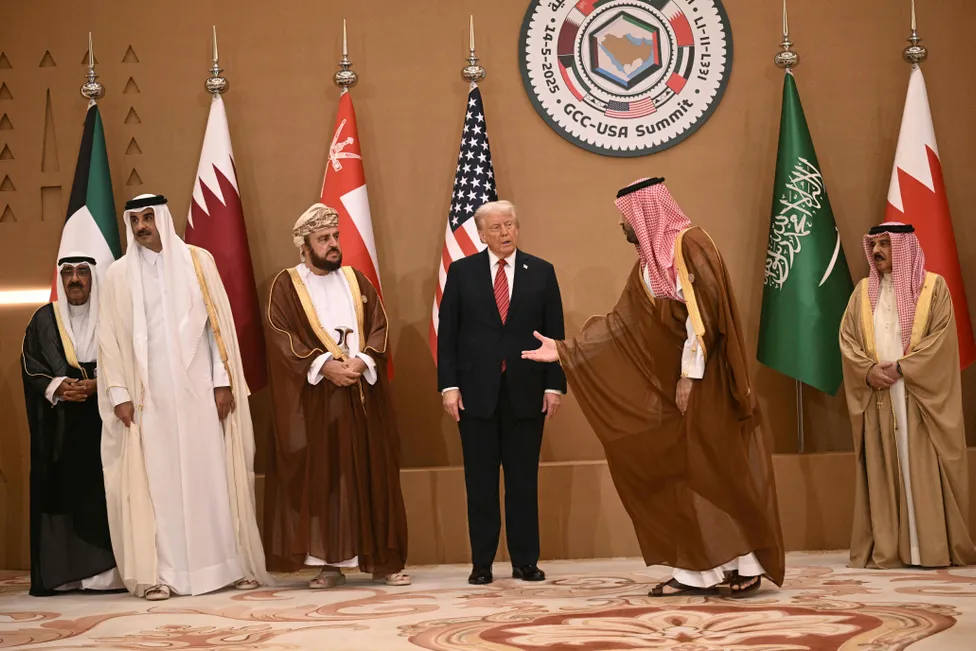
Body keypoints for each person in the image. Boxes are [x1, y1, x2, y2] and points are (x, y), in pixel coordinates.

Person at [523, 178, 784, 597]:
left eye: (626, 217)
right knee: (681, 474)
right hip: (670, 388)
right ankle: (697, 571)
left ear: (646, 211)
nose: (623, 225)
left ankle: (748, 564)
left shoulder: (690, 245)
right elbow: (621, 324)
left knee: (720, 470)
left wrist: (690, 375)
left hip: (707, 382)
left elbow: (706, 315)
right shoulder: (647, 264)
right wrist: (566, 350)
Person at [97, 194, 269, 600]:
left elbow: (217, 327)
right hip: (147, 397)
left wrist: (222, 381)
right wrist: (119, 393)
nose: (142, 226)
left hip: (199, 392)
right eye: (135, 220)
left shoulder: (197, 261)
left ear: (162, 218)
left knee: (210, 477)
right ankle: (163, 573)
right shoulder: (118, 275)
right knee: (157, 486)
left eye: (148, 218)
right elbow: (108, 340)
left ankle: (225, 566)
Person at [263, 203, 409, 588]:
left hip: (363, 396)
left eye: (335, 237)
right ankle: (330, 564)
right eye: (323, 239)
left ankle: (384, 562)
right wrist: (323, 365)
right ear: (304, 247)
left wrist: (362, 361)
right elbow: (280, 336)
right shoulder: (286, 286)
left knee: (373, 476)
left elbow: (379, 327)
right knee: (327, 482)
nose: (332, 244)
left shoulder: (356, 280)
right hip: (317, 402)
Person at [437, 200, 566, 585]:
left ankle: (525, 561)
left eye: (510, 225)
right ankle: (482, 563)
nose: (505, 232)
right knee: (480, 483)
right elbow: (448, 336)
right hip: (475, 393)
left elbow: (555, 334)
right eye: (496, 227)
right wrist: (449, 386)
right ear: (481, 234)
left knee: (523, 482)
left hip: (526, 392)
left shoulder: (541, 272)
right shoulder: (462, 272)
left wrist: (554, 385)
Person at [839, 222, 976, 568]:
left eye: (886, 244)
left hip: (918, 398)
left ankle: (928, 547)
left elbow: (941, 340)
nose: (878, 251)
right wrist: (867, 371)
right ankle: (891, 548)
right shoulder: (862, 293)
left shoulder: (933, 289)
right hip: (880, 397)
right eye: (875, 245)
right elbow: (848, 340)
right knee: (885, 468)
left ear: (904, 248)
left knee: (922, 469)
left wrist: (903, 369)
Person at [21, 254, 123, 596]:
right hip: (61, 425)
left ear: (93, 277)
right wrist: (58, 386)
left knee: (103, 496)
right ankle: (66, 574)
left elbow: (128, 361)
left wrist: (98, 385)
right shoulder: (43, 318)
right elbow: (31, 363)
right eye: (67, 273)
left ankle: (108, 576)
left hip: (105, 421)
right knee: (64, 493)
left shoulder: (111, 314)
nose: (75, 279)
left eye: (82, 272)